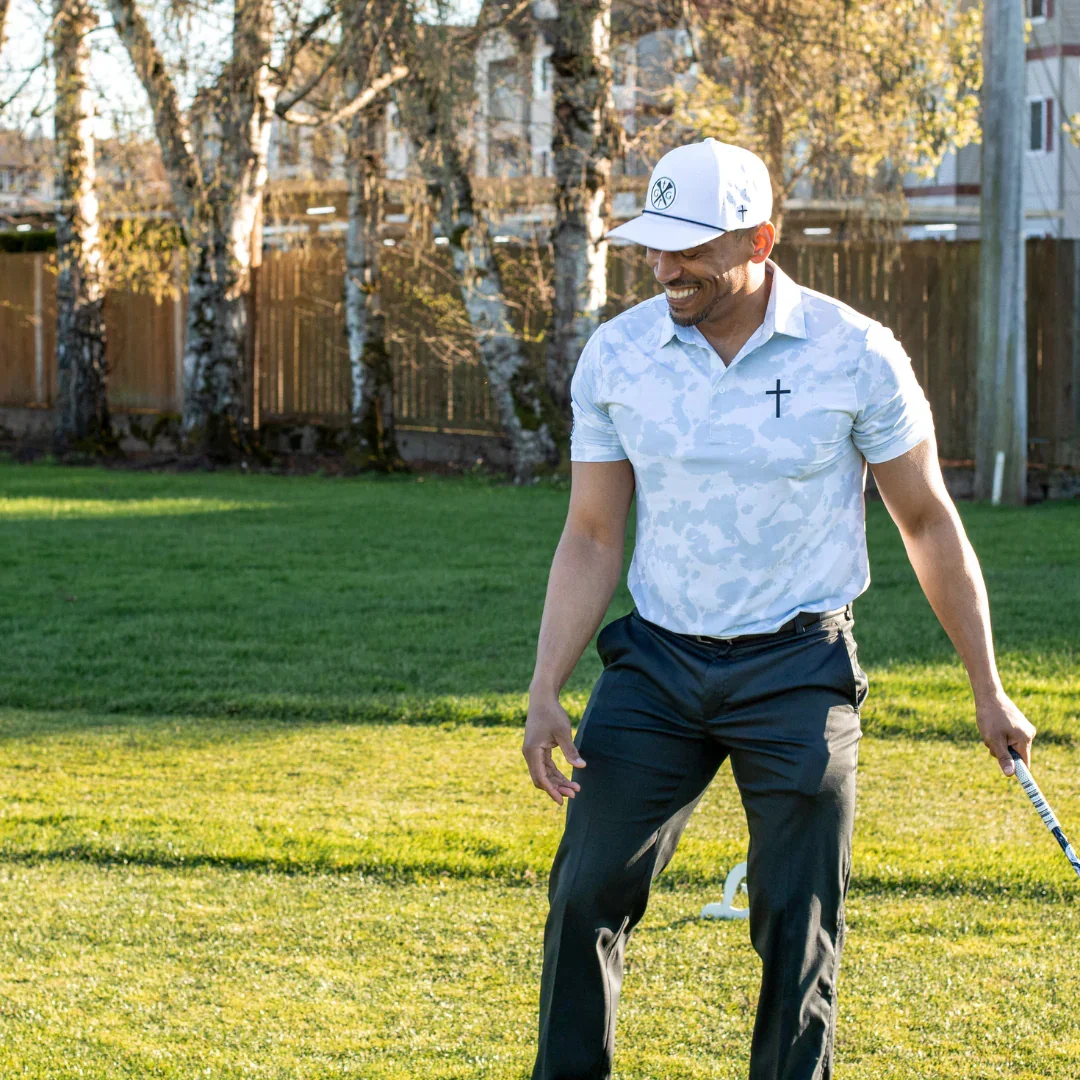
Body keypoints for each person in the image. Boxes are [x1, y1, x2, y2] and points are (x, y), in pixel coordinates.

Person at [521, 137, 1036, 1080]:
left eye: (690, 248)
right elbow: (593, 533)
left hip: (799, 668)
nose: (665, 267)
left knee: (797, 926)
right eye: (655, 245)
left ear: (762, 239)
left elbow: (925, 521)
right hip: (657, 667)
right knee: (584, 891)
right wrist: (546, 683)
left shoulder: (858, 354)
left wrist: (986, 687)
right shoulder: (618, 355)